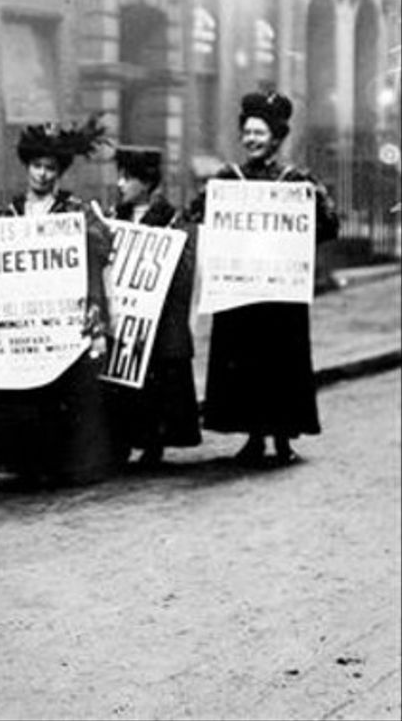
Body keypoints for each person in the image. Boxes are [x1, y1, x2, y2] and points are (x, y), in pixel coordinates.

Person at [188, 90, 339, 467]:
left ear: (276, 137)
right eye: (248, 132)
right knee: (245, 359)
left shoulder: (297, 181)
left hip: (280, 291)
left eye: (260, 133)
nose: (252, 139)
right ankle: (254, 436)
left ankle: (283, 437)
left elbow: (328, 225)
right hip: (240, 288)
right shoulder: (227, 179)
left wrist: (301, 225)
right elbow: (197, 213)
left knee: (281, 360)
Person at [0, 117, 117, 488]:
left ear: (60, 172)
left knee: (60, 387)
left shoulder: (73, 211)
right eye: (37, 166)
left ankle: (60, 463)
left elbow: (99, 253)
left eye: (50, 168)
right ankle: (22, 462)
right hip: (24, 318)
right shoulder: (11, 213)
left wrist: (84, 233)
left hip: (60, 318)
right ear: (27, 167)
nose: (42, 174)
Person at [102, 146, 201, 468]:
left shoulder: (170, 219)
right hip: (124, 314)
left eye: (127, 178)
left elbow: (183, 267)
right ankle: (121, 441)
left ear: (146, 183)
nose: (120, 184)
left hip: (157, 320)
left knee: (155, 382)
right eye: (120, 177)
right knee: (120, 380)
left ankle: (152, 443)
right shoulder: (116, 216)